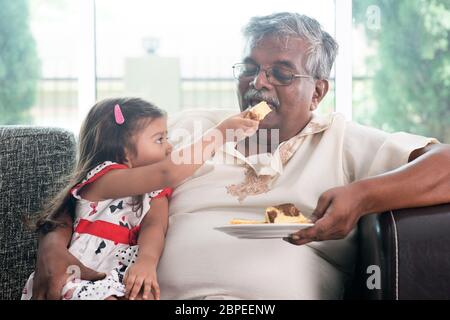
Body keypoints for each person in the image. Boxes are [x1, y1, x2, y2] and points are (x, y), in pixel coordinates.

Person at [32, 13, 450, 300]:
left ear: (318, 91)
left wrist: (363, 196)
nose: (258, 83)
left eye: (281, 73)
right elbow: (99, 183)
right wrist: (52, 244)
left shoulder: (346, 141)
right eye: (249, 68)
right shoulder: (188, 128)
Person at [21, 97, 258, 300]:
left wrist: (146, 261)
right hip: (77, 276)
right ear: (125, 152)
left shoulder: (156, 192)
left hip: (119, 280)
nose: (169, 146)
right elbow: (169, 170)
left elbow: (155, 226)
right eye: (159, 139)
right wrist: (221, 133)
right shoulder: (105, 179)